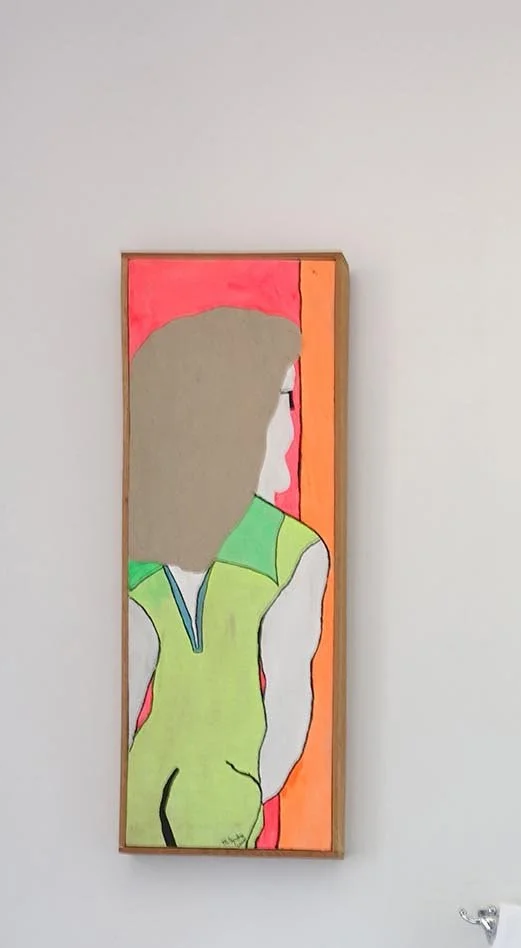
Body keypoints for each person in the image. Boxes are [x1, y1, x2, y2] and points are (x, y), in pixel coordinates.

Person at [124, 306, 330, 849]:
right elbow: (288, 699)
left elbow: (288, 706)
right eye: (284, 400)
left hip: (203, 808)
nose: (291, 424)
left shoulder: (292, 551)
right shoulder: (289, 550)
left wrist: (236, 791)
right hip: (156, 806)